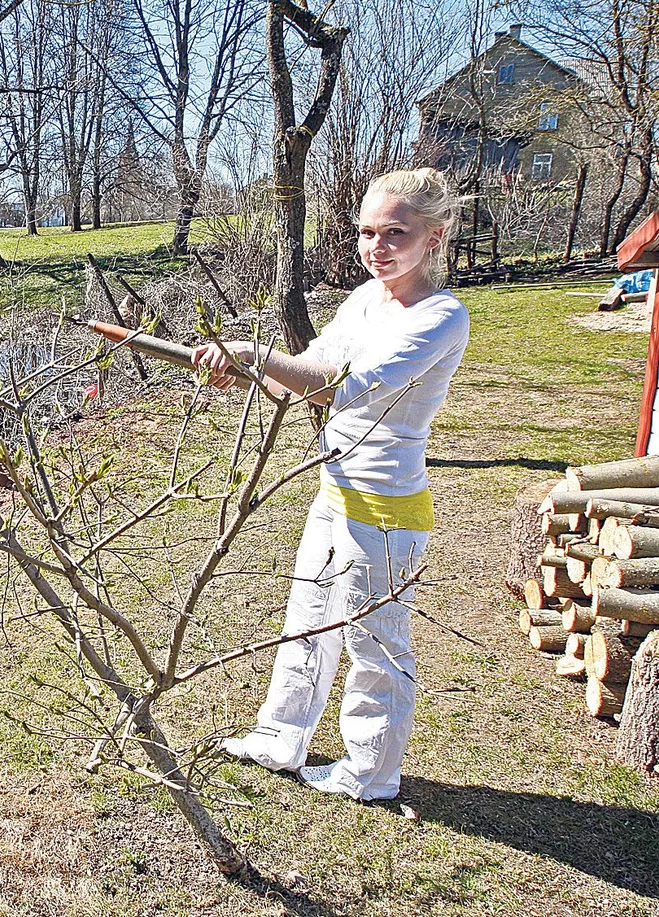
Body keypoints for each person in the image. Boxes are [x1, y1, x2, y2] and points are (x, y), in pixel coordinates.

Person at [192, 167, 470, 801]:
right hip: (333, 492)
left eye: (395, 232)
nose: (378, 246)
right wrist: (237, 371)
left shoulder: (441, 316)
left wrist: (255, 353)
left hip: (386, 508)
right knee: (308, 620)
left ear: (434, 236)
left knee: (373, 639)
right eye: (368, 232)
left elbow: (340, 389)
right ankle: (279, 736)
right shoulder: (365, 300)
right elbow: (310, 373)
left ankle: (371, 771)